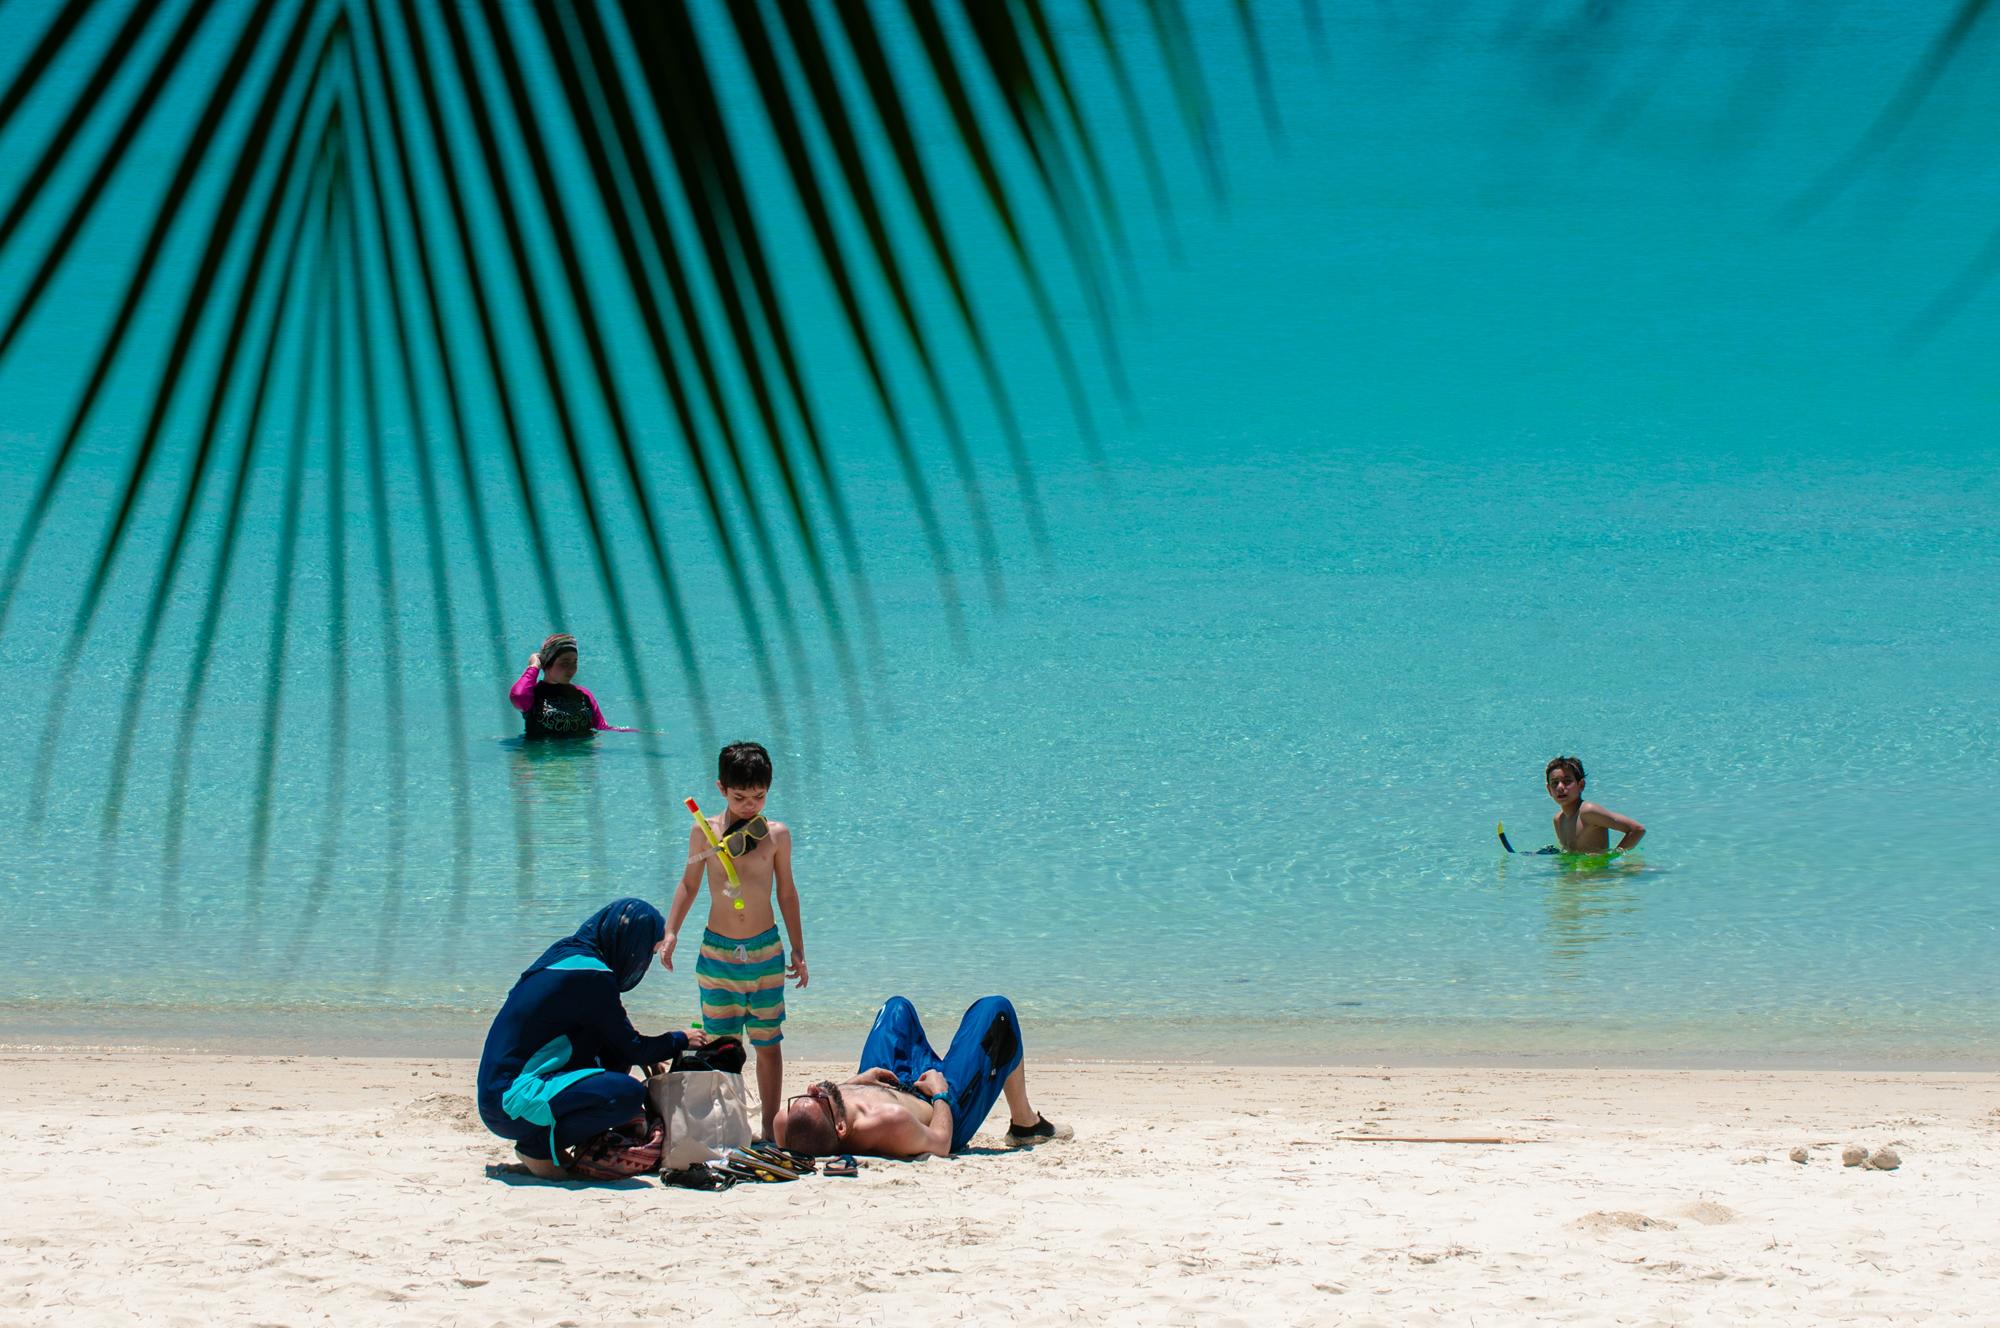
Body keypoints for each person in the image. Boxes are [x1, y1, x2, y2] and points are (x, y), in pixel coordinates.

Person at [476, 898, 705, 1180]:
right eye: (647, 950)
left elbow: (617, 1038)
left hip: (501, 1093)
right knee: (628, 1095)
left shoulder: (570, 955)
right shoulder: (592, 975)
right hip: (512, 1100)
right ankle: (536, 1147)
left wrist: (647, 1052)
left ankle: (548, 1142)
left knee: (614, 1054)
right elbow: (633, 1048)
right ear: (631, 942)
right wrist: (680, 1039)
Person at [661, 741, 806, 1140]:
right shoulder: (703, 832)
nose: (749, 805)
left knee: (768, 1043)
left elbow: (787, 893)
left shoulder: (776, 835)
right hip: (717, 952)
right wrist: (671, 931)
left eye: (759, 797)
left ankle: (769, 1127)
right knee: (724, 1046)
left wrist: (798, 948)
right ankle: (731, 1126)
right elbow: (689, 885)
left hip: (765, 952)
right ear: (721, 788)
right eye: (740, 796)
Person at [773, 995, 1071, 1159]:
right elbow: (941, 1143)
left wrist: (855, 1082)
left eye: (806, 1095)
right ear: (840, 1126)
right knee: (996, 1011)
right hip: (941, 1106)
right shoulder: (887, 1121)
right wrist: (940, 1092)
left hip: (885, 1081)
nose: (814, 1089)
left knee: (896, 1008)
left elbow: (810, 1110)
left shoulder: (789, 1122)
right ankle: (1024, 1124)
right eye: (820, 1099)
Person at [509, 633, 634, 739]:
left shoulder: (583, 695)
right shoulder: (533, 696)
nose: (572, 669)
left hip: (580, 763)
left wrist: (636, 732)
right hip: (544, 762)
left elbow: (602, 727)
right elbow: (517, 695)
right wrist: (534, 666)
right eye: (565, 663)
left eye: (575, 662)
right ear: (547, 664)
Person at [1544, 755, 1646, 853]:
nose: (1560, 787)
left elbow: (1637, 829)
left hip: (1599, 871)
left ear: (1581, 785)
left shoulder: (1588, 812)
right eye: (1555, 783)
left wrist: (1614, 855)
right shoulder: (1558, 820)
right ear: (1549, 790)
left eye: (1567, 781)